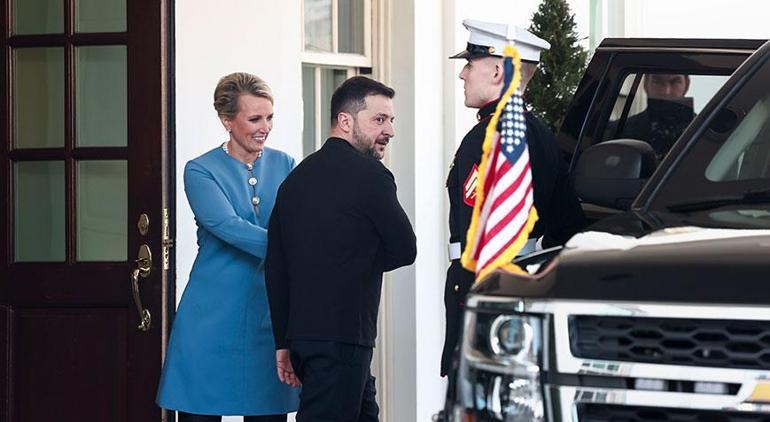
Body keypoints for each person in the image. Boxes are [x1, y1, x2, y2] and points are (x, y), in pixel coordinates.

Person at [265, 76, 417, 421]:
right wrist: (354, 262)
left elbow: (277, 268)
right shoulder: (372, 176)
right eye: (379, 119)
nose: (390, 130)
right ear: (345, 121)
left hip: (303, 337)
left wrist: (283, 342)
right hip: (344, 337)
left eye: (391, 120)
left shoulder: (294, 180)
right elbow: (405, 248)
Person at [441, 19, 585, 381]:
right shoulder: (541, 136)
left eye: (470, 65)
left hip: (487, 287)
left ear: (496, 71)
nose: (462, 75)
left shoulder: (487, 138)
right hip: (528, 283)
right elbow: (568, 226)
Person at [156, 72, 300, 422]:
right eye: (254, 119)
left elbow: (301, 223)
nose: (264, 127)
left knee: (269, 412)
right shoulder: (200, 171)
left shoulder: (286, 165)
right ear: (226, 121)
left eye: (269, 117)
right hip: (210, 319)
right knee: (199, 412)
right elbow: (226, 226)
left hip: (269, 316)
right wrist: (295, 249)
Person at [608, 73, 696, 160]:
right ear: (646, 83)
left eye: (675, 82)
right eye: (657, 81)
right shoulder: (617, 131)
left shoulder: (703, 130)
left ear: (686, 85)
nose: (666, 91)